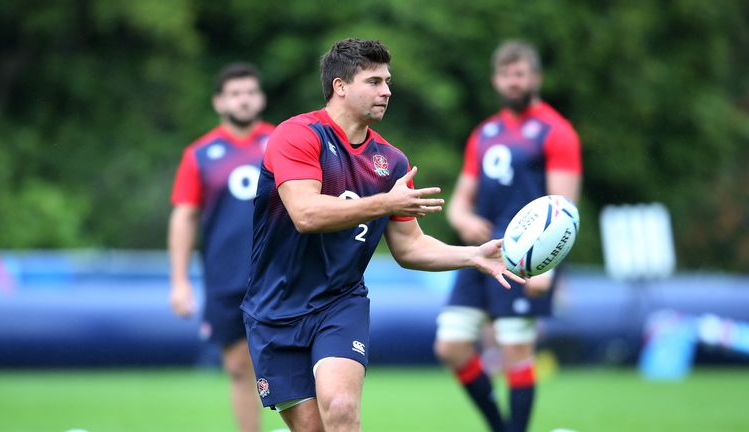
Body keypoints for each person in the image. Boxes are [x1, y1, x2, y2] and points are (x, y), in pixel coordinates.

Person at [240, 38, 526, 432]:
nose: (387, 90)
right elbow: (306, 213)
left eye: (387, 81)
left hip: (339, 303)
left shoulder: (391, 162)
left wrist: (473, 255)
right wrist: (385, 204)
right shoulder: (298, 135)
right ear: (340, 86)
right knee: (311, 428)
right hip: (274, 308)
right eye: (374, 81)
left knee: (340, 407)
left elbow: (410, 247)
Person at [434, 40, 583, 432]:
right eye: (505, 75)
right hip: (480, 254)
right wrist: (464, 220)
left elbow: (564, 211)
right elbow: (459, 203)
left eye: (519, 74)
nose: (512, 82)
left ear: (535, 77)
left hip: (524, 259)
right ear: (495, 80)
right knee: (450, 346)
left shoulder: (556, 131)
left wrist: (547, 270)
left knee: (515, 349)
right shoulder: (484, 133)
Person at [168, 62, 273, 432]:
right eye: (234, 94)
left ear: (260, 98)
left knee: (296, 362)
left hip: (280, 273)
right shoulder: (199, 153)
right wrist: (179, 280)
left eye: (249, 92)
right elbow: (184, 217)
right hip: (226, 277)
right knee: (239, 367)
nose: (243, 100)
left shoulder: (282, 143)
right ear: (219, 102)